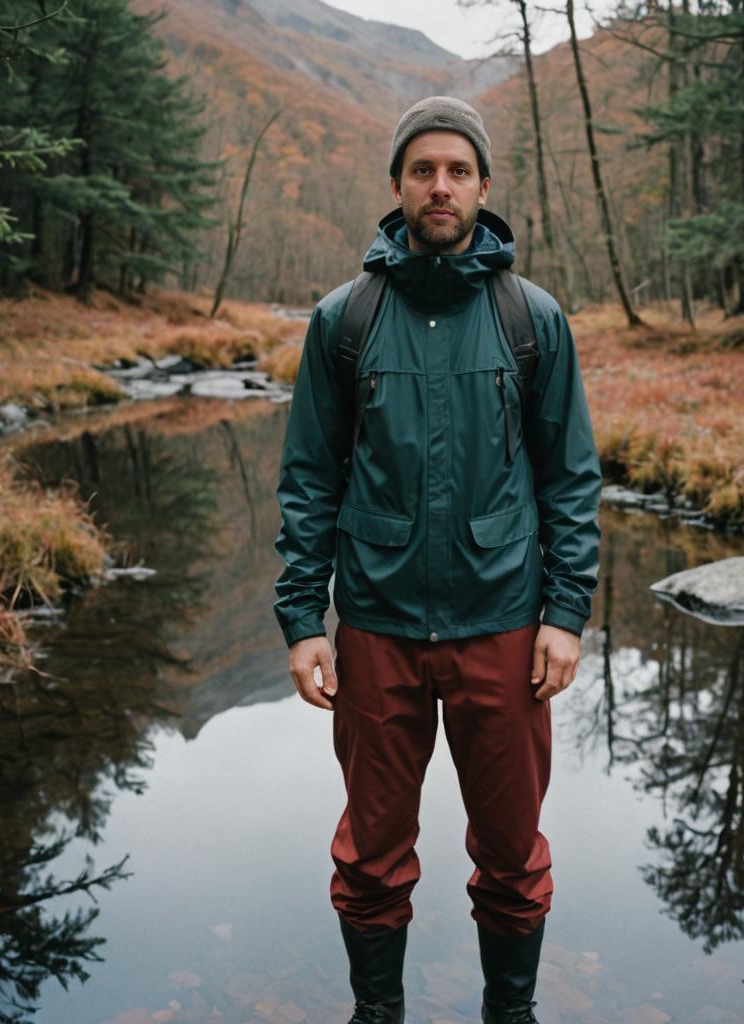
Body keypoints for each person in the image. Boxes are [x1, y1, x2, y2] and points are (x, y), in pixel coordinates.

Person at [273, 96, 602, 1024]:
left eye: (458, 170)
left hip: (504, 626)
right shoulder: (345, 320)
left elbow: (570, 479)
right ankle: (376, 1014)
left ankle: (512, 1013)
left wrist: (566, 613)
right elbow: (308, 479)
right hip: (375, 629)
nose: (441, 186)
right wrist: (304, 622)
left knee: (511, 852)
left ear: (485, 186)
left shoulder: (532, 319)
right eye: (424, 170)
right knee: (370, 855)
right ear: (397, 187)